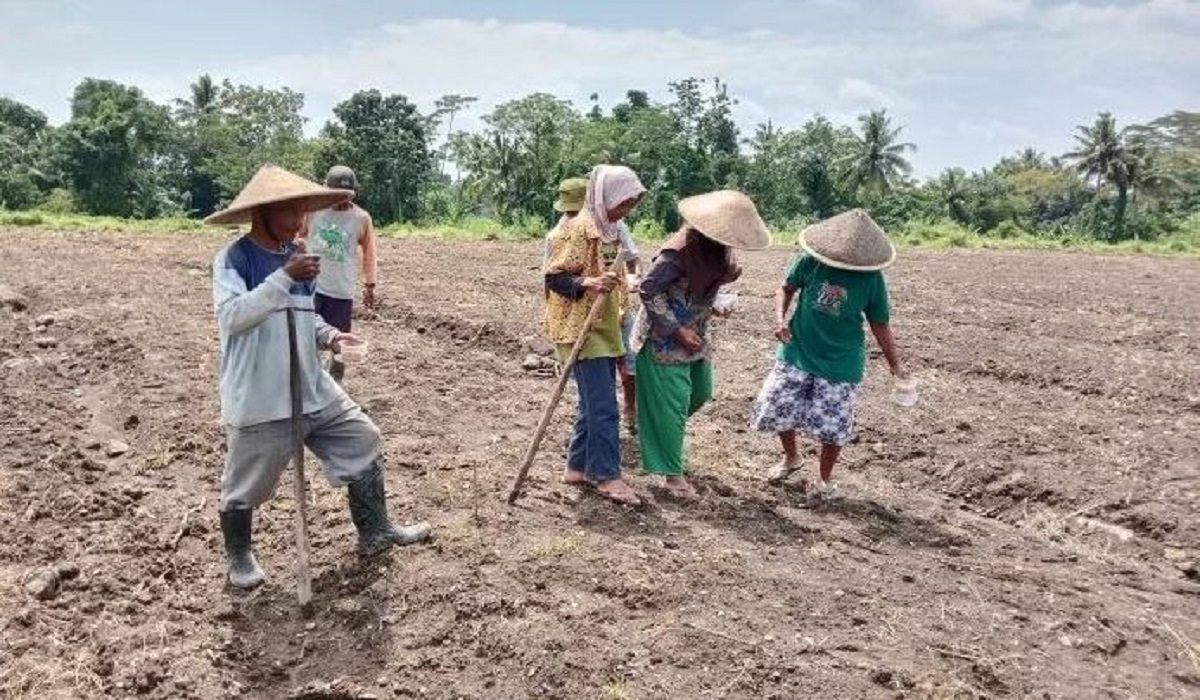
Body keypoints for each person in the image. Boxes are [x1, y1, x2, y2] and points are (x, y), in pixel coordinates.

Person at [207, 165, 431, 589]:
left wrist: (330, 337)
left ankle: (375, 530)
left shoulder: (298, 258)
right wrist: (284, 277)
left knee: (362, 437)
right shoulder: (233, 260)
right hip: (261, 393)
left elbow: (304, 320)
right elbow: (234, 318)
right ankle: (239, 557)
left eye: (302, 212)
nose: (299, 221)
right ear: (265, 212)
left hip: (310, 385)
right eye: (292, 211)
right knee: (244, 484)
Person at [751, 209, 908, 500]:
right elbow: (786, 289)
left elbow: (879, 322)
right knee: (778, 405)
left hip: (840, 362)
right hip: (797, 350)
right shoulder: (811, 261)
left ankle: (823, 480)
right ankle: (791, 458)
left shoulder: (871, 279)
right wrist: (780, 319)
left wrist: (895, 366)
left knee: (833, 426)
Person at [633, 191, 770, 498]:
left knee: (699, 392)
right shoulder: (677, 253)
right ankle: (672, 476)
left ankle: (661, 434)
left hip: (696, 335)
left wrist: (718, 304)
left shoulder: (717, 253)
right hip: (664, 338)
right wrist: (676, 329)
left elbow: (708, 286)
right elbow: (648, 290)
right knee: (674, 402)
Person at [543, 164, 646, 505]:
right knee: (603, 406)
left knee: (593, 404)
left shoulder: (611, 230)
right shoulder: (577, 229)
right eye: (623, 203)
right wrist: (587, 282)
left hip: (604, 323)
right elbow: (553, 277)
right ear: (604, 197)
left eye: (631, 205)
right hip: (579, 328)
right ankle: (607, 477)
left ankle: (577, 467)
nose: (626, 211)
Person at [301, 165, 377, 383]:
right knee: (307, 337)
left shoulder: (361, 218)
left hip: (341, 292)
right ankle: (309, 383)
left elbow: (369, 252)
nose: (340, 199)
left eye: (346, 195)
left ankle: (334, 386)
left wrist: (369, 284)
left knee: (340, 345)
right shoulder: (313, 211)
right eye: (335, 195)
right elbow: (296, 235)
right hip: (311, 287)